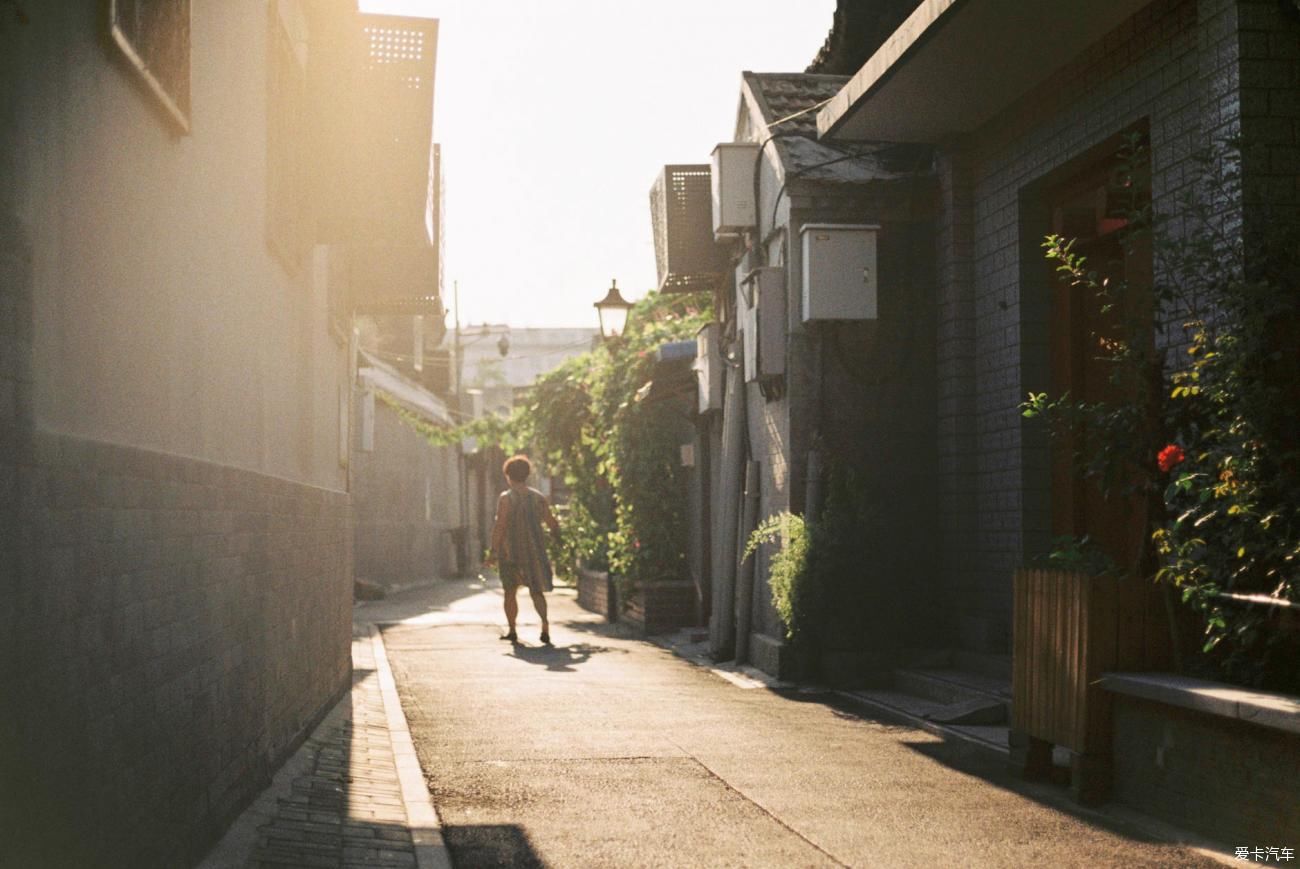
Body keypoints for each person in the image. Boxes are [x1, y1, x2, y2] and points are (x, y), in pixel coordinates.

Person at [487, 454, 561, 644]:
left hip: (510, 553)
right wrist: (557, 537)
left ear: (508, 475)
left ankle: (512, 629)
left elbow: (500, 526)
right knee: (537, 591)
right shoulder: (538, 498)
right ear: (527, 474)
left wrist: (493, 551)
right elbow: (552, 523)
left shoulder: (506, 498)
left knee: (510, 591)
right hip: (535, 552)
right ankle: (545, 624)